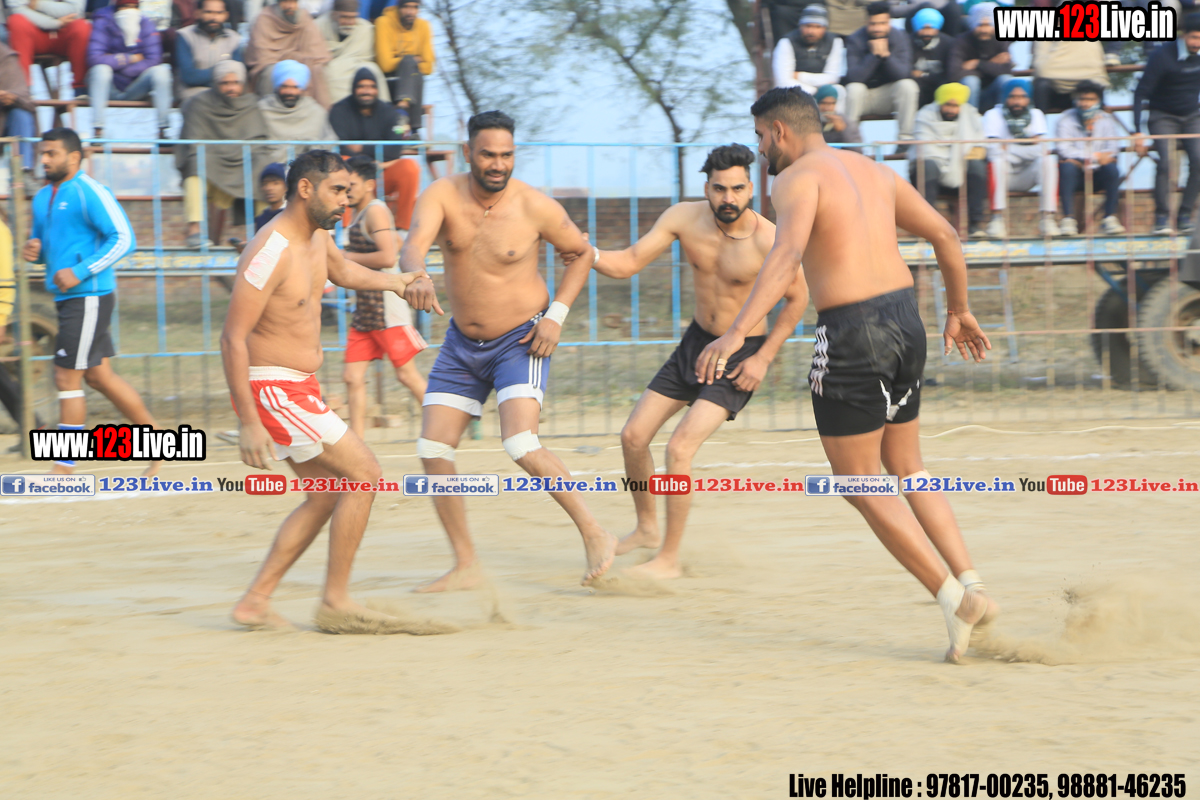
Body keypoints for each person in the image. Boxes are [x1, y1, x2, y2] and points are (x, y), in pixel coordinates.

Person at [696, 87, 998, 664]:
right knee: (907, 465)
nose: (760, 151)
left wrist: (735, 333)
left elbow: (786, 256)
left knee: (859, 483)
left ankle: (956, 599)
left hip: (853, 330)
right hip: (906, 320)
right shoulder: (874, 172)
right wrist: (958, 310)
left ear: (780, 131)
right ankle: (972, 581)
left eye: (760, 137)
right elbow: (945, 235)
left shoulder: (795, 179)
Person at [399, 110, 617, 592]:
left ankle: (594, 531)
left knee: (520, 442)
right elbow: (412, 246)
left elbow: (581, 252)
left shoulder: (534, 205)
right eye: (488, 155)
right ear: (467, 153)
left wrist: (556, 316)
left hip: (521, 340)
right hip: (461, 344)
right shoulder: (441, 195)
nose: (497, 164)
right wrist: (417, 274)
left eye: (506, 155)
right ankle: (466, 565)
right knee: (433, 449)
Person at [222, 149, 437, 632]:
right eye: (337, 190)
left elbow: (341, 271)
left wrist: (398, 282)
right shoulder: (269, 250)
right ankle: (336, 601)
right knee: (365, 474)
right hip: (273, 388)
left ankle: (254, 602)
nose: (347, 198)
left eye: (347, 190)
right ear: (305, 189)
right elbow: (232, 337)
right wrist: (249, 422)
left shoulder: (318, 234)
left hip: (298, 386)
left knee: (324, 496)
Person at [582, 144, 807, 580]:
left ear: (751, 189)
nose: (728, 197)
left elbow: (798, 299)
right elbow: (628, 263)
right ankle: (647, 528)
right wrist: (585, 252)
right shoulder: (683, 218)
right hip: (697, 343)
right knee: (633, 436)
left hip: (742, 352)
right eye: (720, 188)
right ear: (706, 188)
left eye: (737, 188)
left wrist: (763, 358)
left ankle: (668, 558)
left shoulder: (768, 239)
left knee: (679, 448)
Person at [23, 128, 161, 476]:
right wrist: (35, 251)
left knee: (65, 378)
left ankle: (63, 467)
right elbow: (47, 248)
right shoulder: (42, 197)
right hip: (68, 298)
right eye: (42, 153)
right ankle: (159, 443)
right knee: (99, 377)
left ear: (73, 157)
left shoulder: (90, 191)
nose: (43, 159)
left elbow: (124, 239)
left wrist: (80, 271)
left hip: (89, 297)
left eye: (51, 153)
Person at [340, 155, 426, 438]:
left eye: (351, 185)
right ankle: (357, 442)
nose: (346, 191)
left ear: (369, 184)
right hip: (365, 310)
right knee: (352, 377)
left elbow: (388, 256)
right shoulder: (358, 214)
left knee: (406, 375)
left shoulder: (375, 211)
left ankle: (442, 425)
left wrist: (344, 258)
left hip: (387, 309)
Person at [176, 60, 272, 247]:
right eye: (225, 83)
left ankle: (263, 232)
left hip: (243, 168)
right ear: (216, 84)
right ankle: (194, 229)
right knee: (196, 163)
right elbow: (194, 143)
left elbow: (259, 142)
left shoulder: (251, 104)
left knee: (263, 165)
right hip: (212, 169)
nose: (231, 88)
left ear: (243, 84)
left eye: (235, 83)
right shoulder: (199, 104)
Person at [1132, 13, 1200, 235]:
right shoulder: (1162, 56)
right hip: (1163, 116)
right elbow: (1140, 93)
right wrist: (1137, 131)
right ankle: (1161, 217)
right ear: (1183, 35)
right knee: (1166, 164)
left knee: (1199, 161)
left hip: (1192, 115)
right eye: (1194, 37)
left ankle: (1184, 215)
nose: (1197, 43)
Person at [328, 67, 420, 230]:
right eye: (361, 86)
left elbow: (394, 150)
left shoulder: (391, 113)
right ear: (354, 89)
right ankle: (344, 229)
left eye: (371, 86)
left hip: (380, 175)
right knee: (342, 163)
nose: (366, 91)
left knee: (409, 167)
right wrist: (374, 159)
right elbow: (343, 148)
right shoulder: (338, 110)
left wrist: (361, 148)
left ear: (377, 90)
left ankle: (403, 228)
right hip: (352, 175)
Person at [982, 79, 1059, 238]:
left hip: (1027, 174)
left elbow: (1042, 149)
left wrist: (1008, 146)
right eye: (1013, 97)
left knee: (1048, 161)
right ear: (1005, 97)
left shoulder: (1036, 114)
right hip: (1004, 174)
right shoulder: (993, 114)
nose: (1017, 101)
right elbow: (993, 151)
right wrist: (1028, 143)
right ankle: (997, 219)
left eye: (1022, 97)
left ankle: (1047, 219)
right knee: (997, 162)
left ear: (1028, 98)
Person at [86, 0, 173, 140]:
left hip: (135, 86)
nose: (130, 11)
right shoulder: (103, 22)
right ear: (117, 8)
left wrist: (125, 69)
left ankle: (163, 131)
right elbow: (95, 58)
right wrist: (130, 58)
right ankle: (98, 131)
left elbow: (154, 59)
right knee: (101, 70)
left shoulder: (146, 24)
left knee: (161, 72)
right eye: (125, 7)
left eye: (134, 7)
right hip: (109, 86)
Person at [910, 82, 988, 238]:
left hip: (961, 178)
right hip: (932, 177)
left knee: (977, 166)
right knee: (927, 166)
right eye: (948, 105)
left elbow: (979, 146)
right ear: (940, 103)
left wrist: (960, 159)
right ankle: (925, 227)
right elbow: (924, 150)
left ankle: (975, 225)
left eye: (955, 106)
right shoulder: (925, 116)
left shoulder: (971, 116)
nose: (951, 110)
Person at [845, 1, 919, 150]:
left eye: (882, 23)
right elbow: (853, 77)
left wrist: (886, 56)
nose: (877, 28)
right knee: (854, 88)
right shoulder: (855, 39)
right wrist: (873, 56)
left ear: (889, 22)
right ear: (866, 22)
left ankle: (905, 140)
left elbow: (903, 73)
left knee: (908, 86)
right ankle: (851, 143)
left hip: (888, 97)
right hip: (863, 97)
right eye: (873, 24)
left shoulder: (900, 37)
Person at [1055, 80, 1126, 236]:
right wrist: (1095, 157)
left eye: (1090, 99)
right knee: (1066, 167)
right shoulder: (1065, 119)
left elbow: (1112, 149)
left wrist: (1083, 160)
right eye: (1082, 99)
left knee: (1112, 170)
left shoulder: (1106, 120)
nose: (1085, 104)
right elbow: (1064, 150)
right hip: (1076, 175)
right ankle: (1068, 220)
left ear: (1098, 101)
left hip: (1097, 174)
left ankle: (1109, 218)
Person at [245, 0, 332, 108]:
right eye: (285, 2)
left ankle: (315, 113)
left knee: (318, 70)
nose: (289, 6)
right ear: (278, 3)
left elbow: (317, 52)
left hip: (301, 64)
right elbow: (262, 57)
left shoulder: (304, 18)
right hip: (275, 65)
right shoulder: (264, 19)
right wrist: (290, 60)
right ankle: (270, 112)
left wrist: (293, 59)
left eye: (293, 2)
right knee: (270, 72)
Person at [4, 0, 91, 96]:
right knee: (16, 21)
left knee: (81, 27)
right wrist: (55, 23)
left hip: (66, 32)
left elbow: (75, 10)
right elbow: (18, 9)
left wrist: (38, 4)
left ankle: (81, 89)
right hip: (34, 33)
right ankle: (22, 91)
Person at [258, 60, 336, 163]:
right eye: (284, 86)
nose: (289, 92)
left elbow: (329, 143)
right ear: (277, 87)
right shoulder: (262, 111)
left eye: (295, 87)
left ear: (302, 89)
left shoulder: (316, 112)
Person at [374, 0, 432, 138]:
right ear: (398, 7)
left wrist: (406, 62)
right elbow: (384, 64)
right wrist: (412, 60)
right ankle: (414, 130)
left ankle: (402, 112)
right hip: (388, 81)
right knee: (410, 64)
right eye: (406, 7)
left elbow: (429, 67)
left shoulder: (424, 26)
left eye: (415, 7)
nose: (411, 12)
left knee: (415, 73)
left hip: (410, 83)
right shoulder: (383, 22)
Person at [319, 0, 389, 104]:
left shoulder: (365, 29)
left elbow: (366, 56)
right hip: (331, 71)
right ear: (334, 15)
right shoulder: (318, 27)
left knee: (373, 69)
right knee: (329, 72)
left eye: (352, 17)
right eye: (344, 17)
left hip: (357, 69)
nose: (349, 22)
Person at [174, 0, 243, 102]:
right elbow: (189, 77)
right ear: (197, 13)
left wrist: (209, 78)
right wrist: (223, 75)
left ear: (226, 15)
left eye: (219, 13)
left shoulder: (234, 39)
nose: (213, 17)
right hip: (193, 93)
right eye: (208, 12)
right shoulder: (185, 36)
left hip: (225, 92)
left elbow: (238, 75)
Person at [947, 2, 1012, 110]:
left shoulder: (1001, 40)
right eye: (980, 25)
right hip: (966, 95)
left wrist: (977, 64)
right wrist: (991, 64)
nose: (984, 30)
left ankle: (1002, 116)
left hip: (992, 93)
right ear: (972, 24)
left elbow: (1007, 70)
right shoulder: (961, 41)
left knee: (1005, 80)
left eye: (988, 25)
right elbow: (954, 73)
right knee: (971, 80)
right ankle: (970, 118)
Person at [772, 4, 844, 96]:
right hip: (796, 93)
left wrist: (799, 76)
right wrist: (813, 93)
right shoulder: (786, 42)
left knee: (839, 90)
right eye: (807, 26)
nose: (811, 31)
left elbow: (833, 78)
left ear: (825, 28)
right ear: (800, 26)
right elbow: (782, 81)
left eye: (817, 27)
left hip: (824, 91)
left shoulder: (835, 41)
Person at [1032, 40, 1109, 114]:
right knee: (1041, 85)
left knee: (1094, 88)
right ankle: (1038, 121)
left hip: (1087, 86)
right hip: (1056, 91)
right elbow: (1041, 67)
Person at [0, 39, 37, 192]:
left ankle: (23, 173)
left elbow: (24, 98)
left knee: (21, 114)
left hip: (4, 122)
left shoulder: (4, 56)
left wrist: (12, 98)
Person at [910, 7, 952, 108]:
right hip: (917, 90)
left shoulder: (949, 43)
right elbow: (906, 72)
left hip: (940, 88)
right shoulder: (907, 42)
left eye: (931, 28)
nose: (927, 33)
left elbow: (950, 75)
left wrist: (923, 75)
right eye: (923, 28)